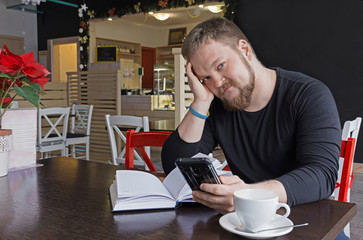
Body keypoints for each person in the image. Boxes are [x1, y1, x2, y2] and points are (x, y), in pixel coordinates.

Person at [161, 17, 341, 215]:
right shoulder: (219, 106)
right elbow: (175, 167)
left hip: (309, 218)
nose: (218, 82)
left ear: (245, 50)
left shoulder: (308, 94)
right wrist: (200, 102)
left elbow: (322, 175)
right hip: (247, 220)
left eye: (220, 66)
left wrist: (248, 193)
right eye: (206, 78)